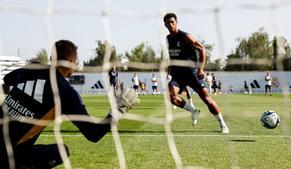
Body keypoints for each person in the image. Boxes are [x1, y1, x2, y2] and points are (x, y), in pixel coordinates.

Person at [0, 40, 140, 169]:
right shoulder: (65, 92)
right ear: (72, 62)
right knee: (61, 152)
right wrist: (117, 111)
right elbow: (93, 134)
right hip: (9, 156)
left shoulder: (33, 68)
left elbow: (7, 79)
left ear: (51, 59)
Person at [164, 12, 229, 133]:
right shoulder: (168, 39)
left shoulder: (185, 36)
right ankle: (193, 110)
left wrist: (201, 68)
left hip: (192, 73)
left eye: (172, 22)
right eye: (168, 23)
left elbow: (202, 48)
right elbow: (172, 57)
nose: (170, 24)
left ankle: (222, 124)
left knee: (207, 100)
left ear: (176, 22)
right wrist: (170, 71)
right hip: (178, 75)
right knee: (170, 96)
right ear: (165, 25)